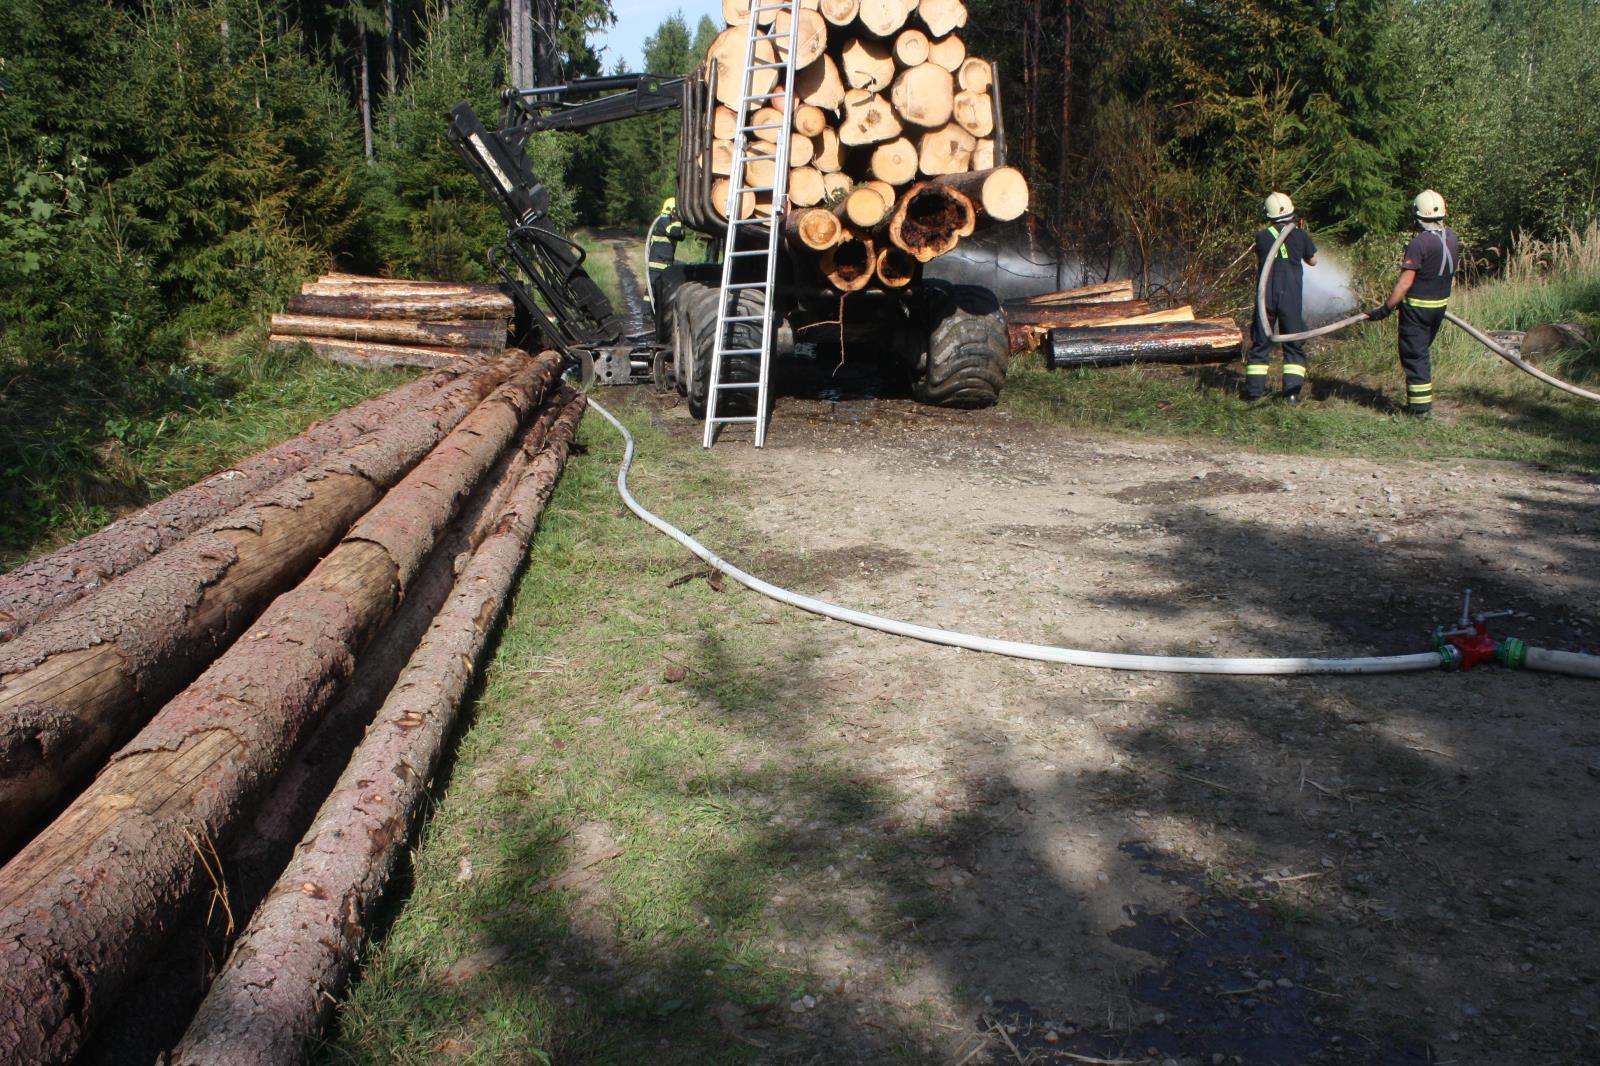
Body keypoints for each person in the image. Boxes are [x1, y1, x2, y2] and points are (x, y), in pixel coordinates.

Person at [1365, 190, 1460, 418]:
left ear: (1417, 215)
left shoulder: (1419, 243)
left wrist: (1386, 308)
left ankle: (1419, 410)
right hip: (1439, 308)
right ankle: (1420, 406)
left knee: (1414, 356)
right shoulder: (1451, 238)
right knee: (1421, 354)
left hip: (1417, 310)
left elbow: (1405, 283)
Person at [1245, 192, 1318, 403]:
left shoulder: (1262, 236)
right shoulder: (1301, 235)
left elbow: (1265, 256)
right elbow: (1313, 261)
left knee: (1261, 343)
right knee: (1293, 343)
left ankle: (1253, 393)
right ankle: (1291, 394)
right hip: (1290, 296)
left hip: (1264, 297)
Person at [645, 195, 685, 309]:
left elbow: (682, 236)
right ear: (672, 209)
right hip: (656, 263)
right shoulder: (663, 221)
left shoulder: (670, 222)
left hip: (665, 263)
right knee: (651, 291)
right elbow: (675, 233)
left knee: (660, 291)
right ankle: (647, 315)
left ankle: (655, 313)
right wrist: (677, 220)